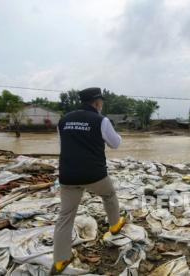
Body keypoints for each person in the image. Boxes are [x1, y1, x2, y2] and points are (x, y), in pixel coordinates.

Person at [51, 87, 126, 274]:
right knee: (109, 195)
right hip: (94, 175)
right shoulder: (101, 120)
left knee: (65, 216)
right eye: (102, 102)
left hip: (68, 175)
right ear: (97, 102)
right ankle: (115, 225)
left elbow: (63, 146)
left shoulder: (63, 120)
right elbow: (115, 144)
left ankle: (60, 260)